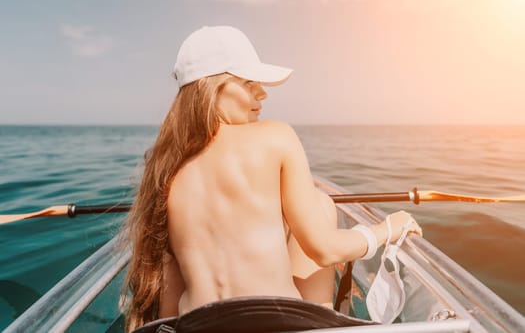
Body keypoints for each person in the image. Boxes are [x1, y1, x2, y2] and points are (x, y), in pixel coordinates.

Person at [121, 25, 423, 331]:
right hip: (276, 324)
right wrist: (386, 228)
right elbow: (325, 249)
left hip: (196, 326)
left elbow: (169, 295)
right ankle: (325, 317)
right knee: (320, 204)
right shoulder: (276, 136)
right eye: (249, 82)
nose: (262, 93)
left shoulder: (165, 168)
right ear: (210, 88)